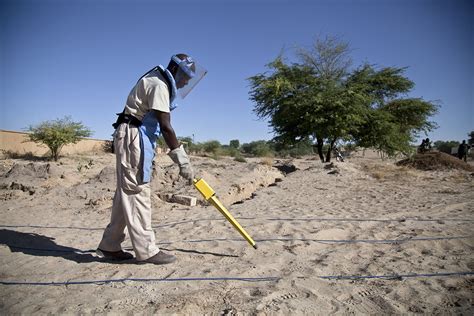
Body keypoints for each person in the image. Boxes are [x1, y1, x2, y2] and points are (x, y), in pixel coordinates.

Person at [97, 54, 207, 265]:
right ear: (175, 70)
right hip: (133, 137)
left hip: (133, 134)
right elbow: (166, 126)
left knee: (127, 192)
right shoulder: (159, 85)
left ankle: (110, 245)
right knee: (137, 190)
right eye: (184, 76)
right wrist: (182, 160)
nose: (185, 82)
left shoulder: (157, 81)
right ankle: (147, 251)